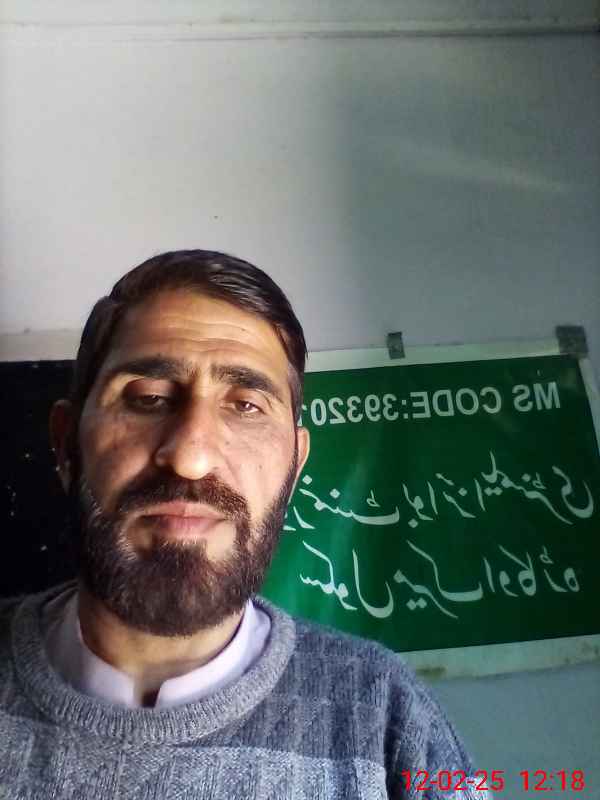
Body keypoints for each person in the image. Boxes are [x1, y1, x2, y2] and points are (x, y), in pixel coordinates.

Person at [0, 250, 482, 799]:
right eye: (149, 398)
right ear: (66, 444)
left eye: (247, 405)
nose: (191, 459)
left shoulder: (390, 720)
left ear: (294, 466)